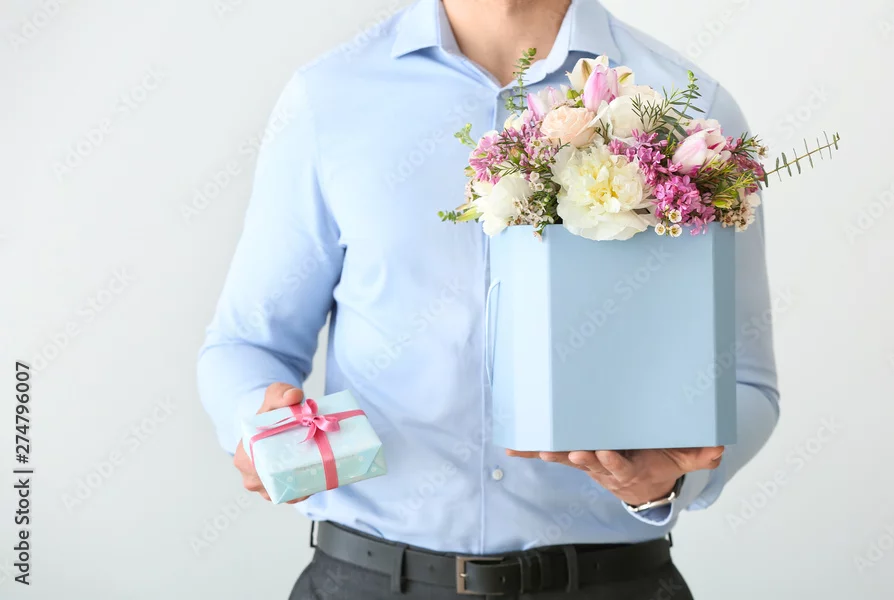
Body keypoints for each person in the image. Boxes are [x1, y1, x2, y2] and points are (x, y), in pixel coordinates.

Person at [197, 0, 780, 598]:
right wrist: (257, 420)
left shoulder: (689, 112)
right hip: (368, 579)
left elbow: (746, 381)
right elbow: (249, 343)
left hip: (611, 582)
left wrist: (665, 481)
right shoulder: (330, 97)